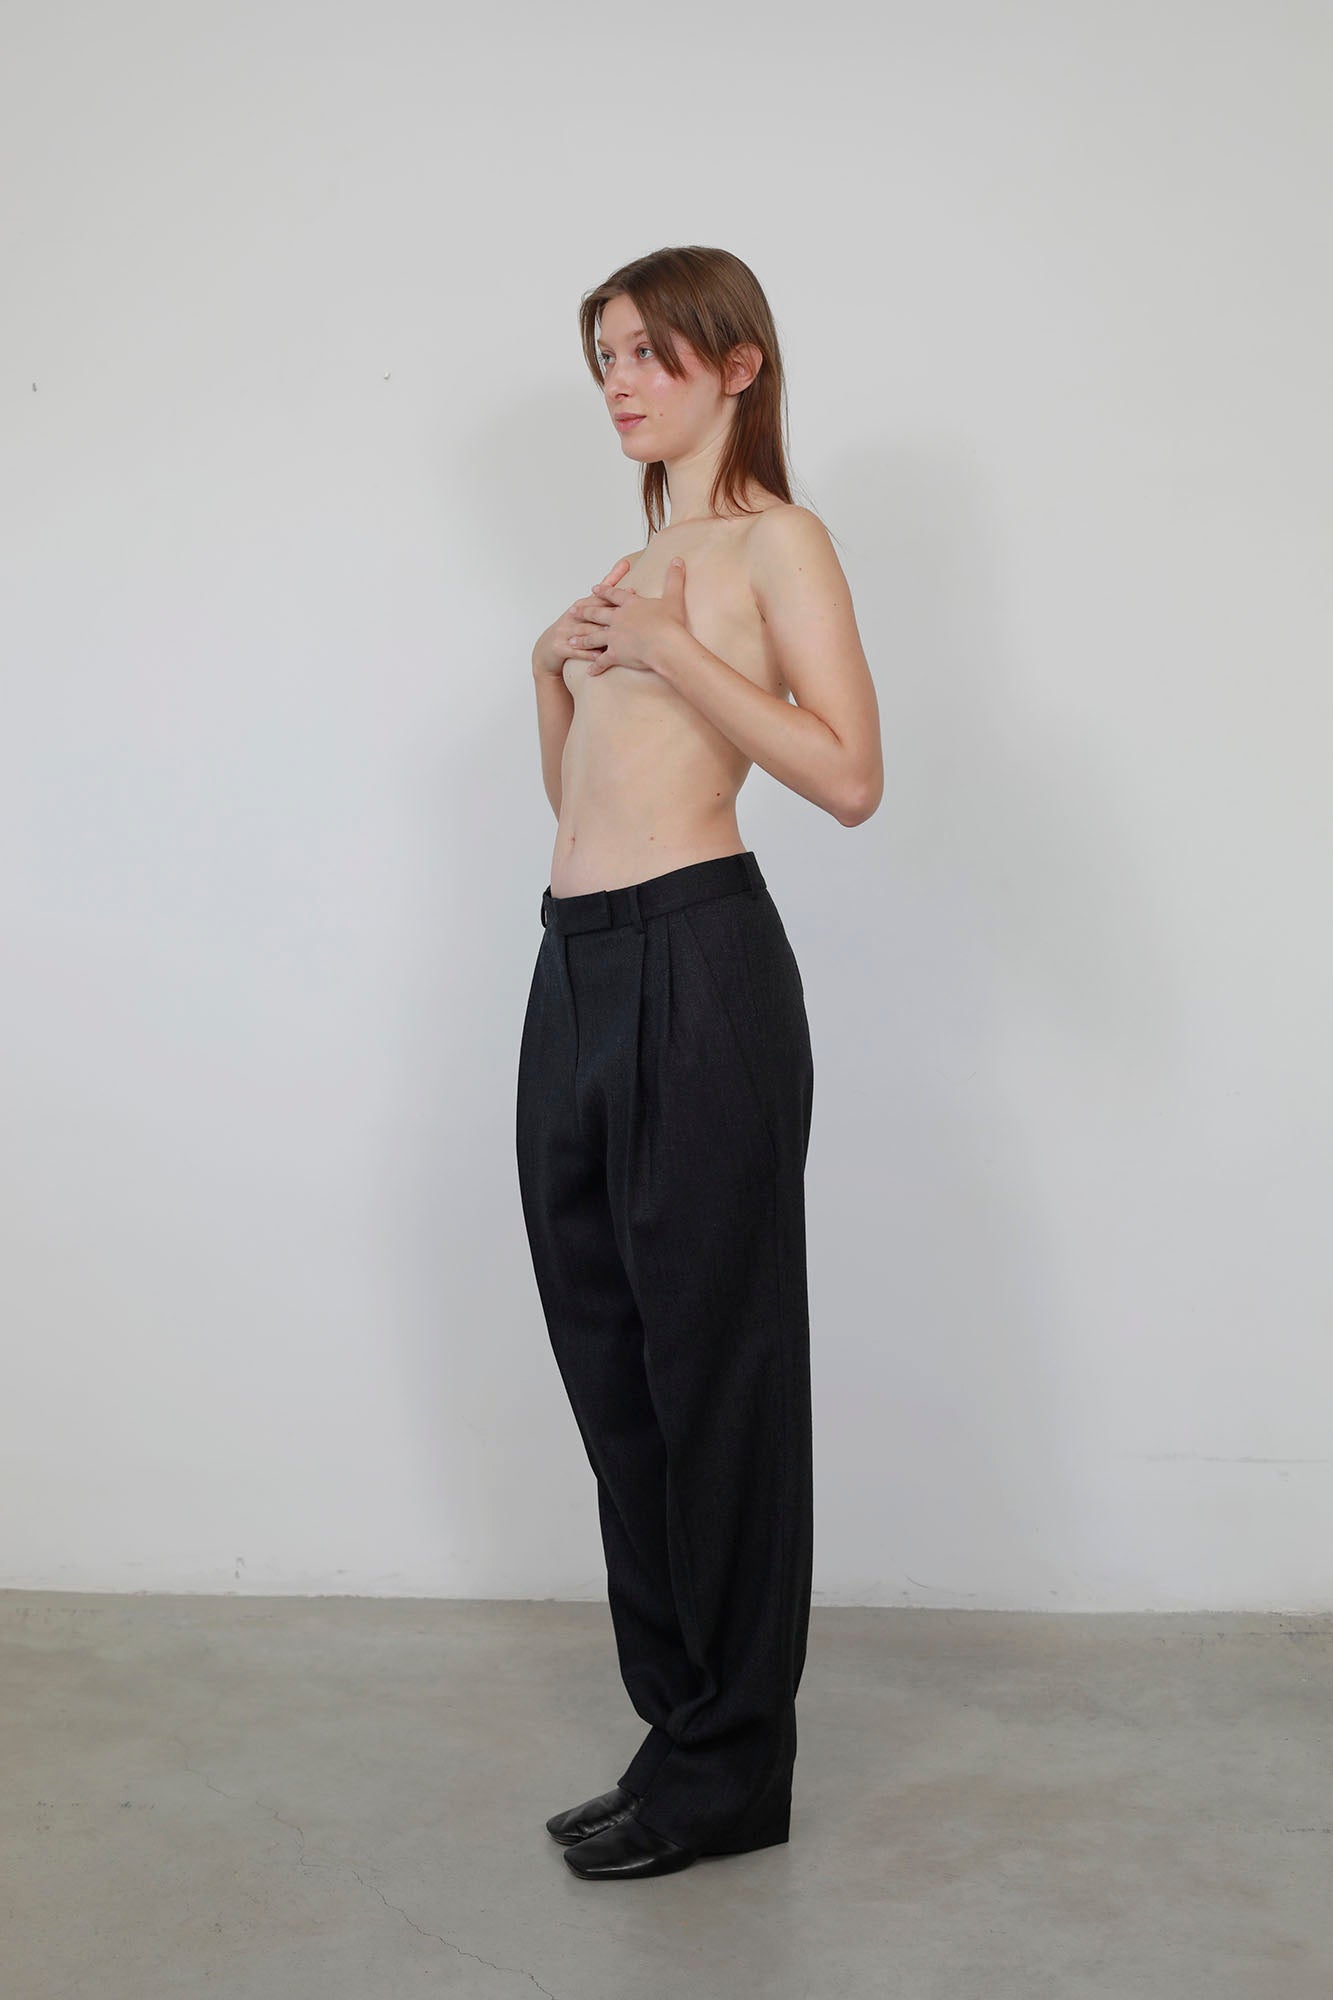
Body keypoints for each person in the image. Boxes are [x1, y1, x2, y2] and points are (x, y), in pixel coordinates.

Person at [515, 245, 882, 1880]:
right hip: (575, 968)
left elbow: (849, 776)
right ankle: (678, 1728)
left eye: (649, 352)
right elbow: (581, 804)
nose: (619, 381)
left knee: (713, 1378)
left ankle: (735, 1768)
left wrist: (672, 653)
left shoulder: (774, 540)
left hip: (699, 962)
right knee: (614, 1369)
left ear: (736, 365)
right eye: (603, 354)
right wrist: (552, 670)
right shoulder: (637, 562)